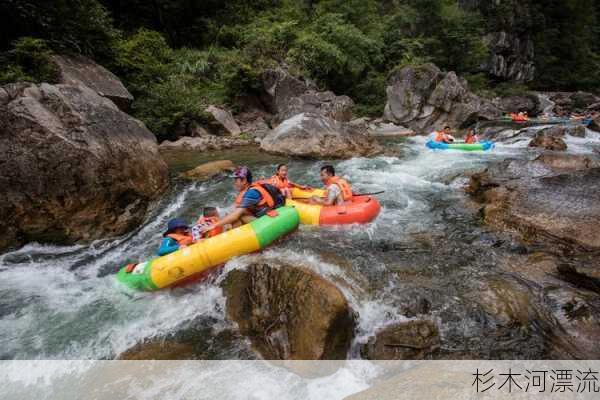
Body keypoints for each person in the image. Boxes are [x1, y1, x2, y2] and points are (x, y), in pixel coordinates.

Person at [198, 166, 285, 234]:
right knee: (234, 217)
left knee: (238, 218)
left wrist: (213, 226)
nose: (235, 182)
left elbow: (235, 215)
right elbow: (234, 209)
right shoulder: (249, 190)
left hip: (266, 220)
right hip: (261, 215)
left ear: (244, 181)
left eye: (236, 180)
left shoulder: (251, 193)